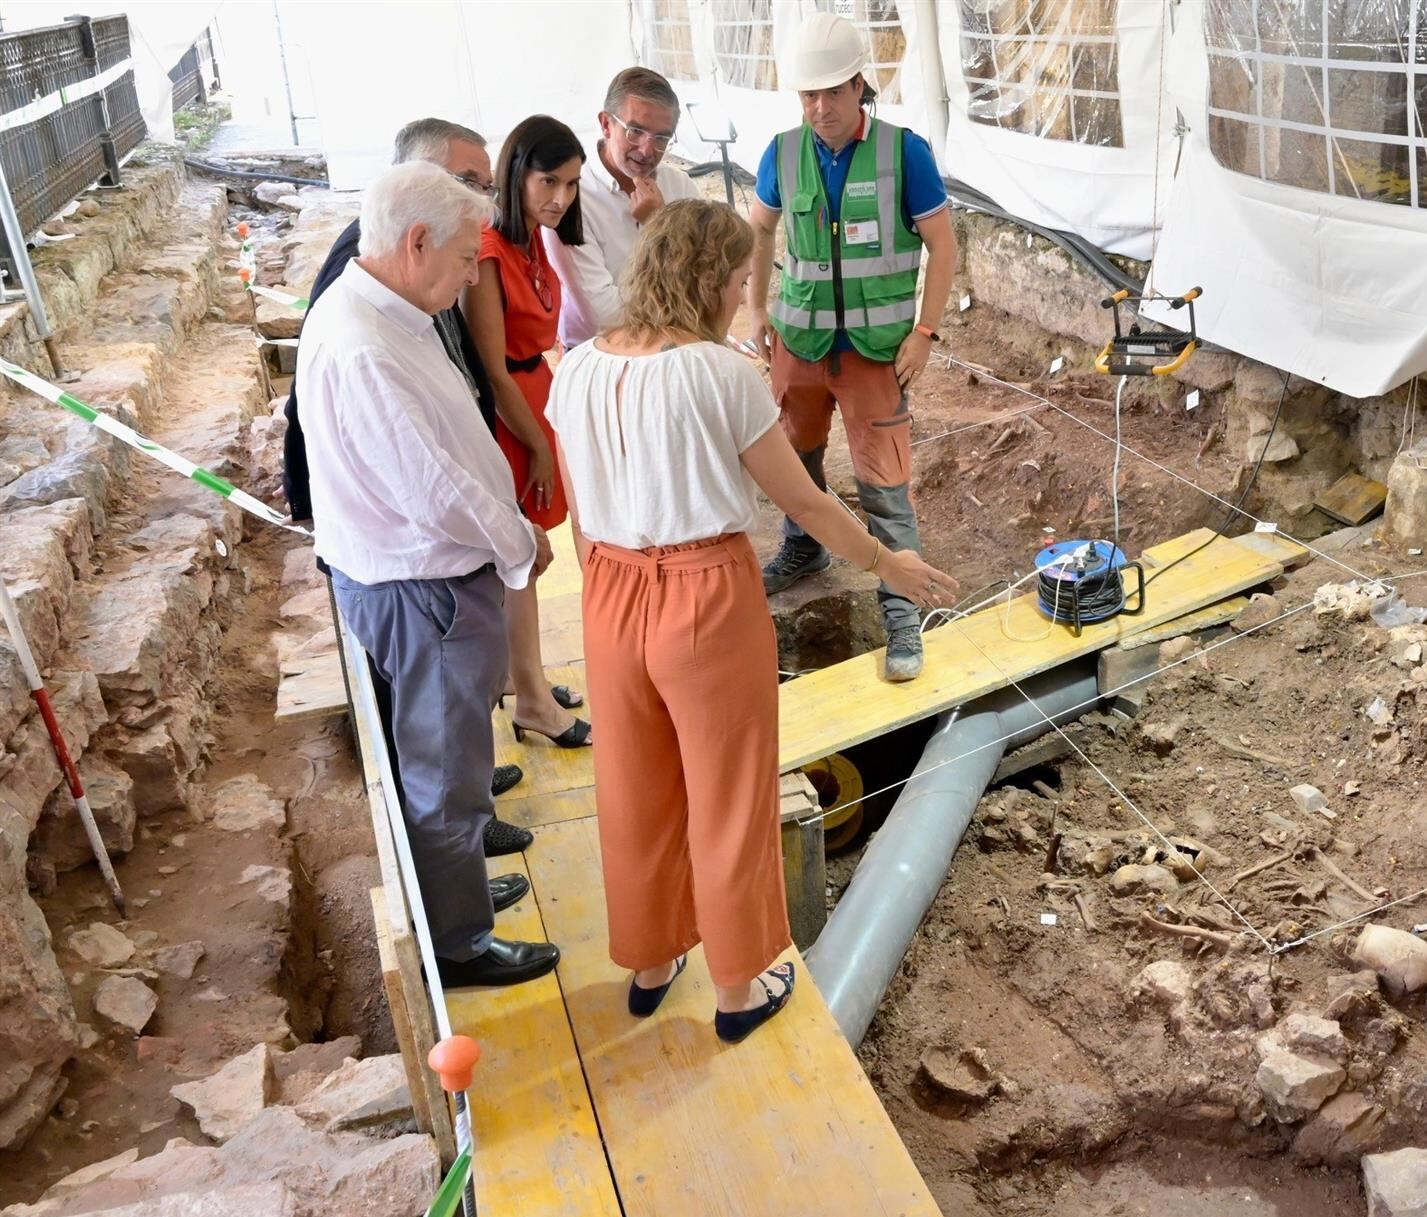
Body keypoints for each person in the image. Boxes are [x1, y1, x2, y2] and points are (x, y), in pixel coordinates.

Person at [547, 199, 958, 1042]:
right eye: (740, 281)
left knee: (635, 786)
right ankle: (738, 988)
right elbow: (803, 501)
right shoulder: (723, 375)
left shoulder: (575, 367)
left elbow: (582, 515)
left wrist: (609, 591)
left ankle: (651, 963)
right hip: (705, 592)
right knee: (731, 793)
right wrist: (888, 563)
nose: (744, 296)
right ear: (707, 278)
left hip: (610, 592)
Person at [299, 161, 560, 990]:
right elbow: (433, 491)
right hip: (425, 591)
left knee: (449, 754)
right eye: (464, 258)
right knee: (442, 776)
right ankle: (459, 941)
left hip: (420, 582)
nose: (471, 276)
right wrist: (516, 544)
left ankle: (458, 886)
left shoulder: (382, 312)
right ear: (416, 243)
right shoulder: (367, 348)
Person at [747, 10, 958, 683]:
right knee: (795, 459)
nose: (820, 108)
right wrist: (756, 308)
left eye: (833, 92)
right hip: (800, 344)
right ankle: (803, 546)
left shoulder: (904, 153)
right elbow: (759, 231)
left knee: (885, 485)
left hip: (875, 353)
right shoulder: (782, 153)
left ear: (859, 85)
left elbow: (944, 245)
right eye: (808, 94)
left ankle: (902, 609)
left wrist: (925, 332)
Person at [465, 115, 592, 749]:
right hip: (509, 414)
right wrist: (539, 445)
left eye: (571, 184)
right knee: (520, 558)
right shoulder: (490, 248)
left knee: (530, 560)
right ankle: (533, 702)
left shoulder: (532, 239)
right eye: (549, 181)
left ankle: (525, 679)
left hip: (536, 397)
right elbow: (493, 369)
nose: (560, 198)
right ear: (516, 174)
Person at [549, 67, 700, 348]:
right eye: (636, 131)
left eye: (662, 138)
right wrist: (659, 228)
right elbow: (604, 316)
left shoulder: (680, 186)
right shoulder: (571, 199)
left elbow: (708, 279)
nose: (647, 150)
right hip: (601, 355)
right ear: (606, 124)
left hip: (675, 347)